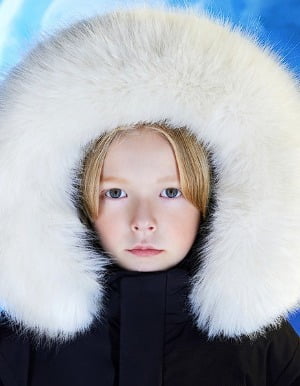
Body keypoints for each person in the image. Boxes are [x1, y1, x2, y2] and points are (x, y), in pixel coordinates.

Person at [0, 4, 299, 386]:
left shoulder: (268, 350)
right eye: (116, 192)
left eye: (171, 191)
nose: (143, 220)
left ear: (215, 202)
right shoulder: (21, 349)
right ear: (75, 202)